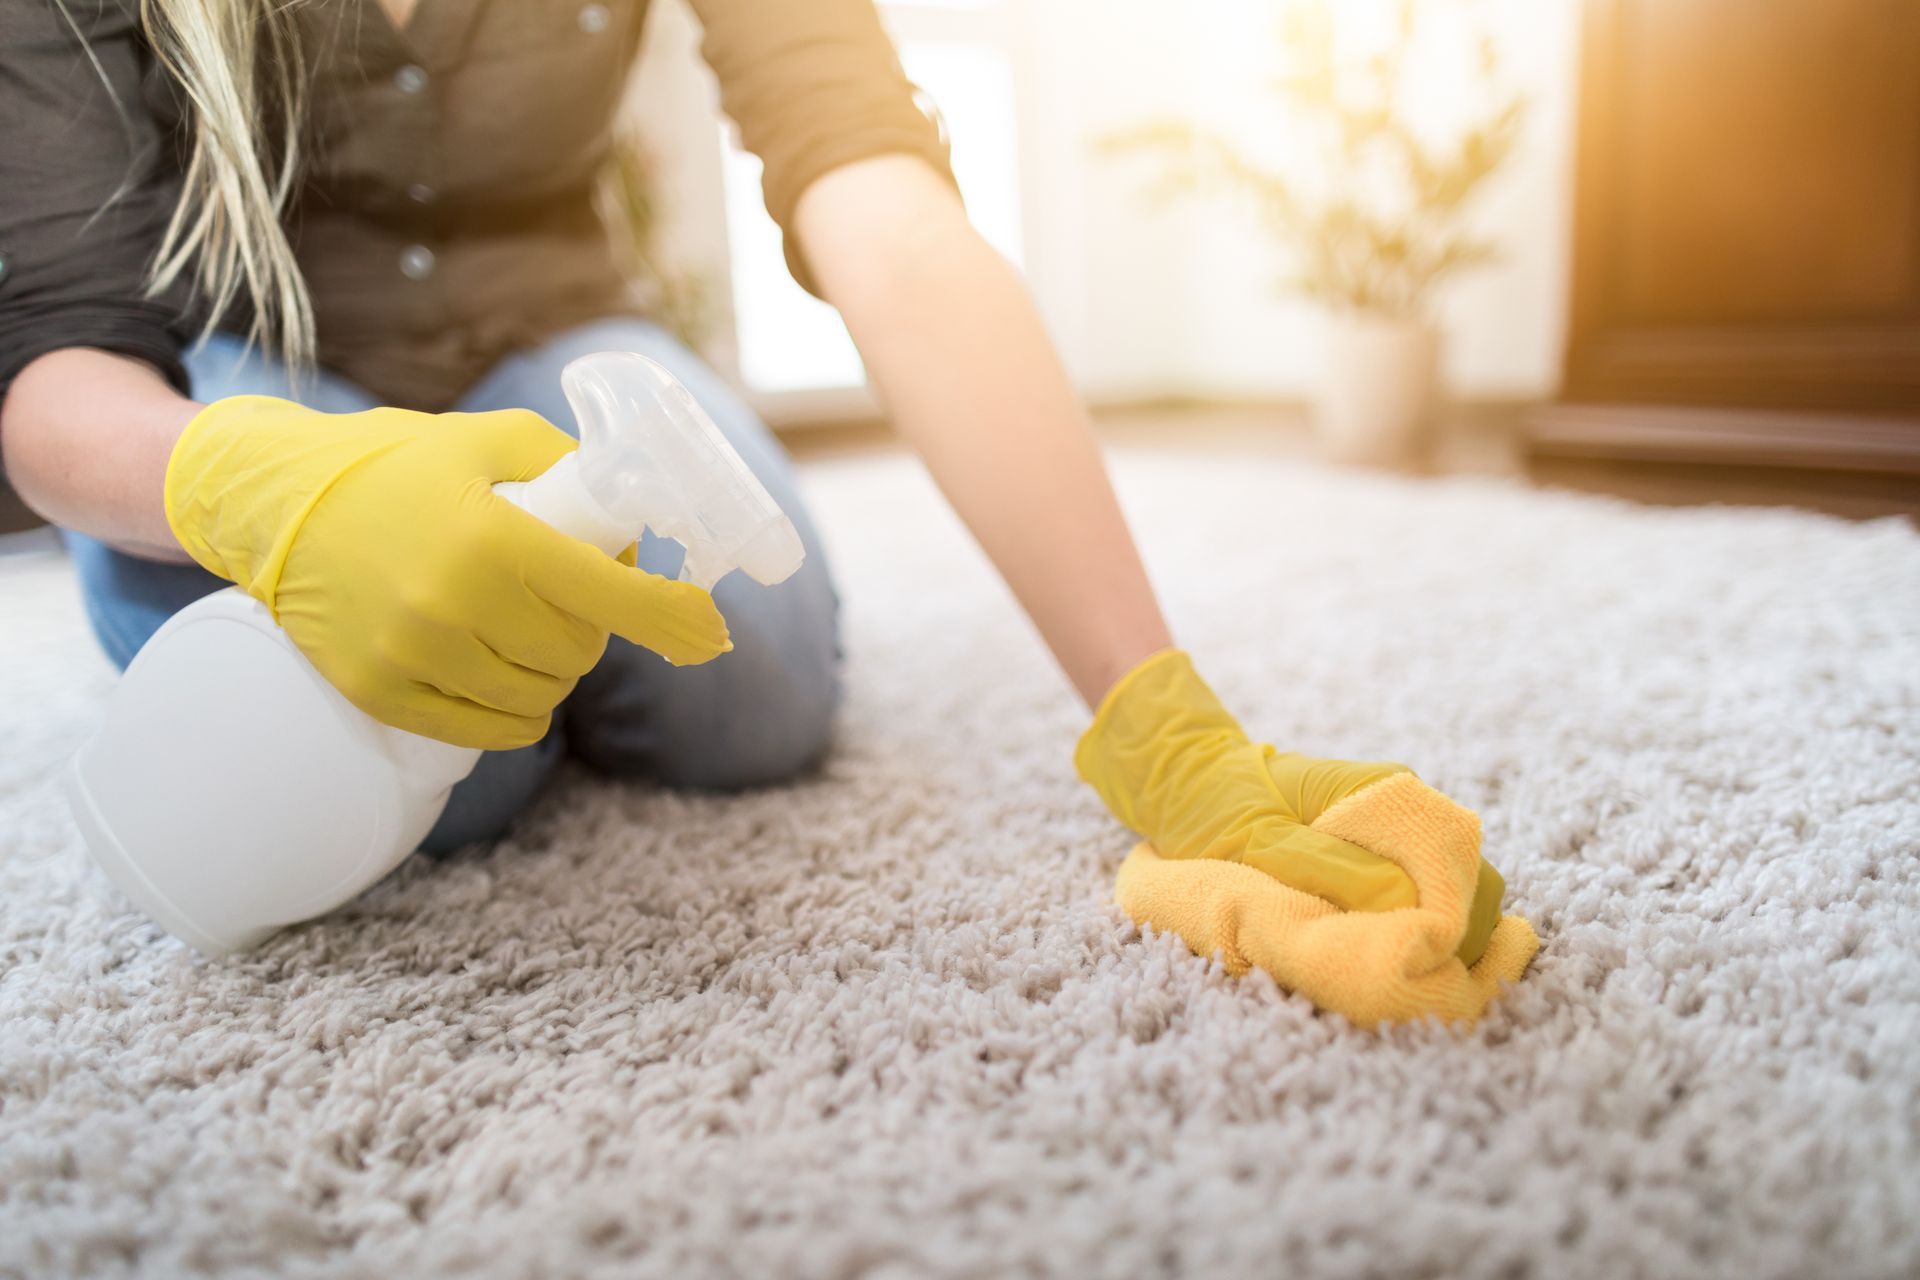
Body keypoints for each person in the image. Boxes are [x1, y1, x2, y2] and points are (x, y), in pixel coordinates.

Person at [0, 0, 1519, 1013]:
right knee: (459, 776)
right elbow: (57, 359)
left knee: (756, 697)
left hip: (553, 320)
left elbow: (887, 214)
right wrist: (252, 482)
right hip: (264, 352)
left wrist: (1161, 714)